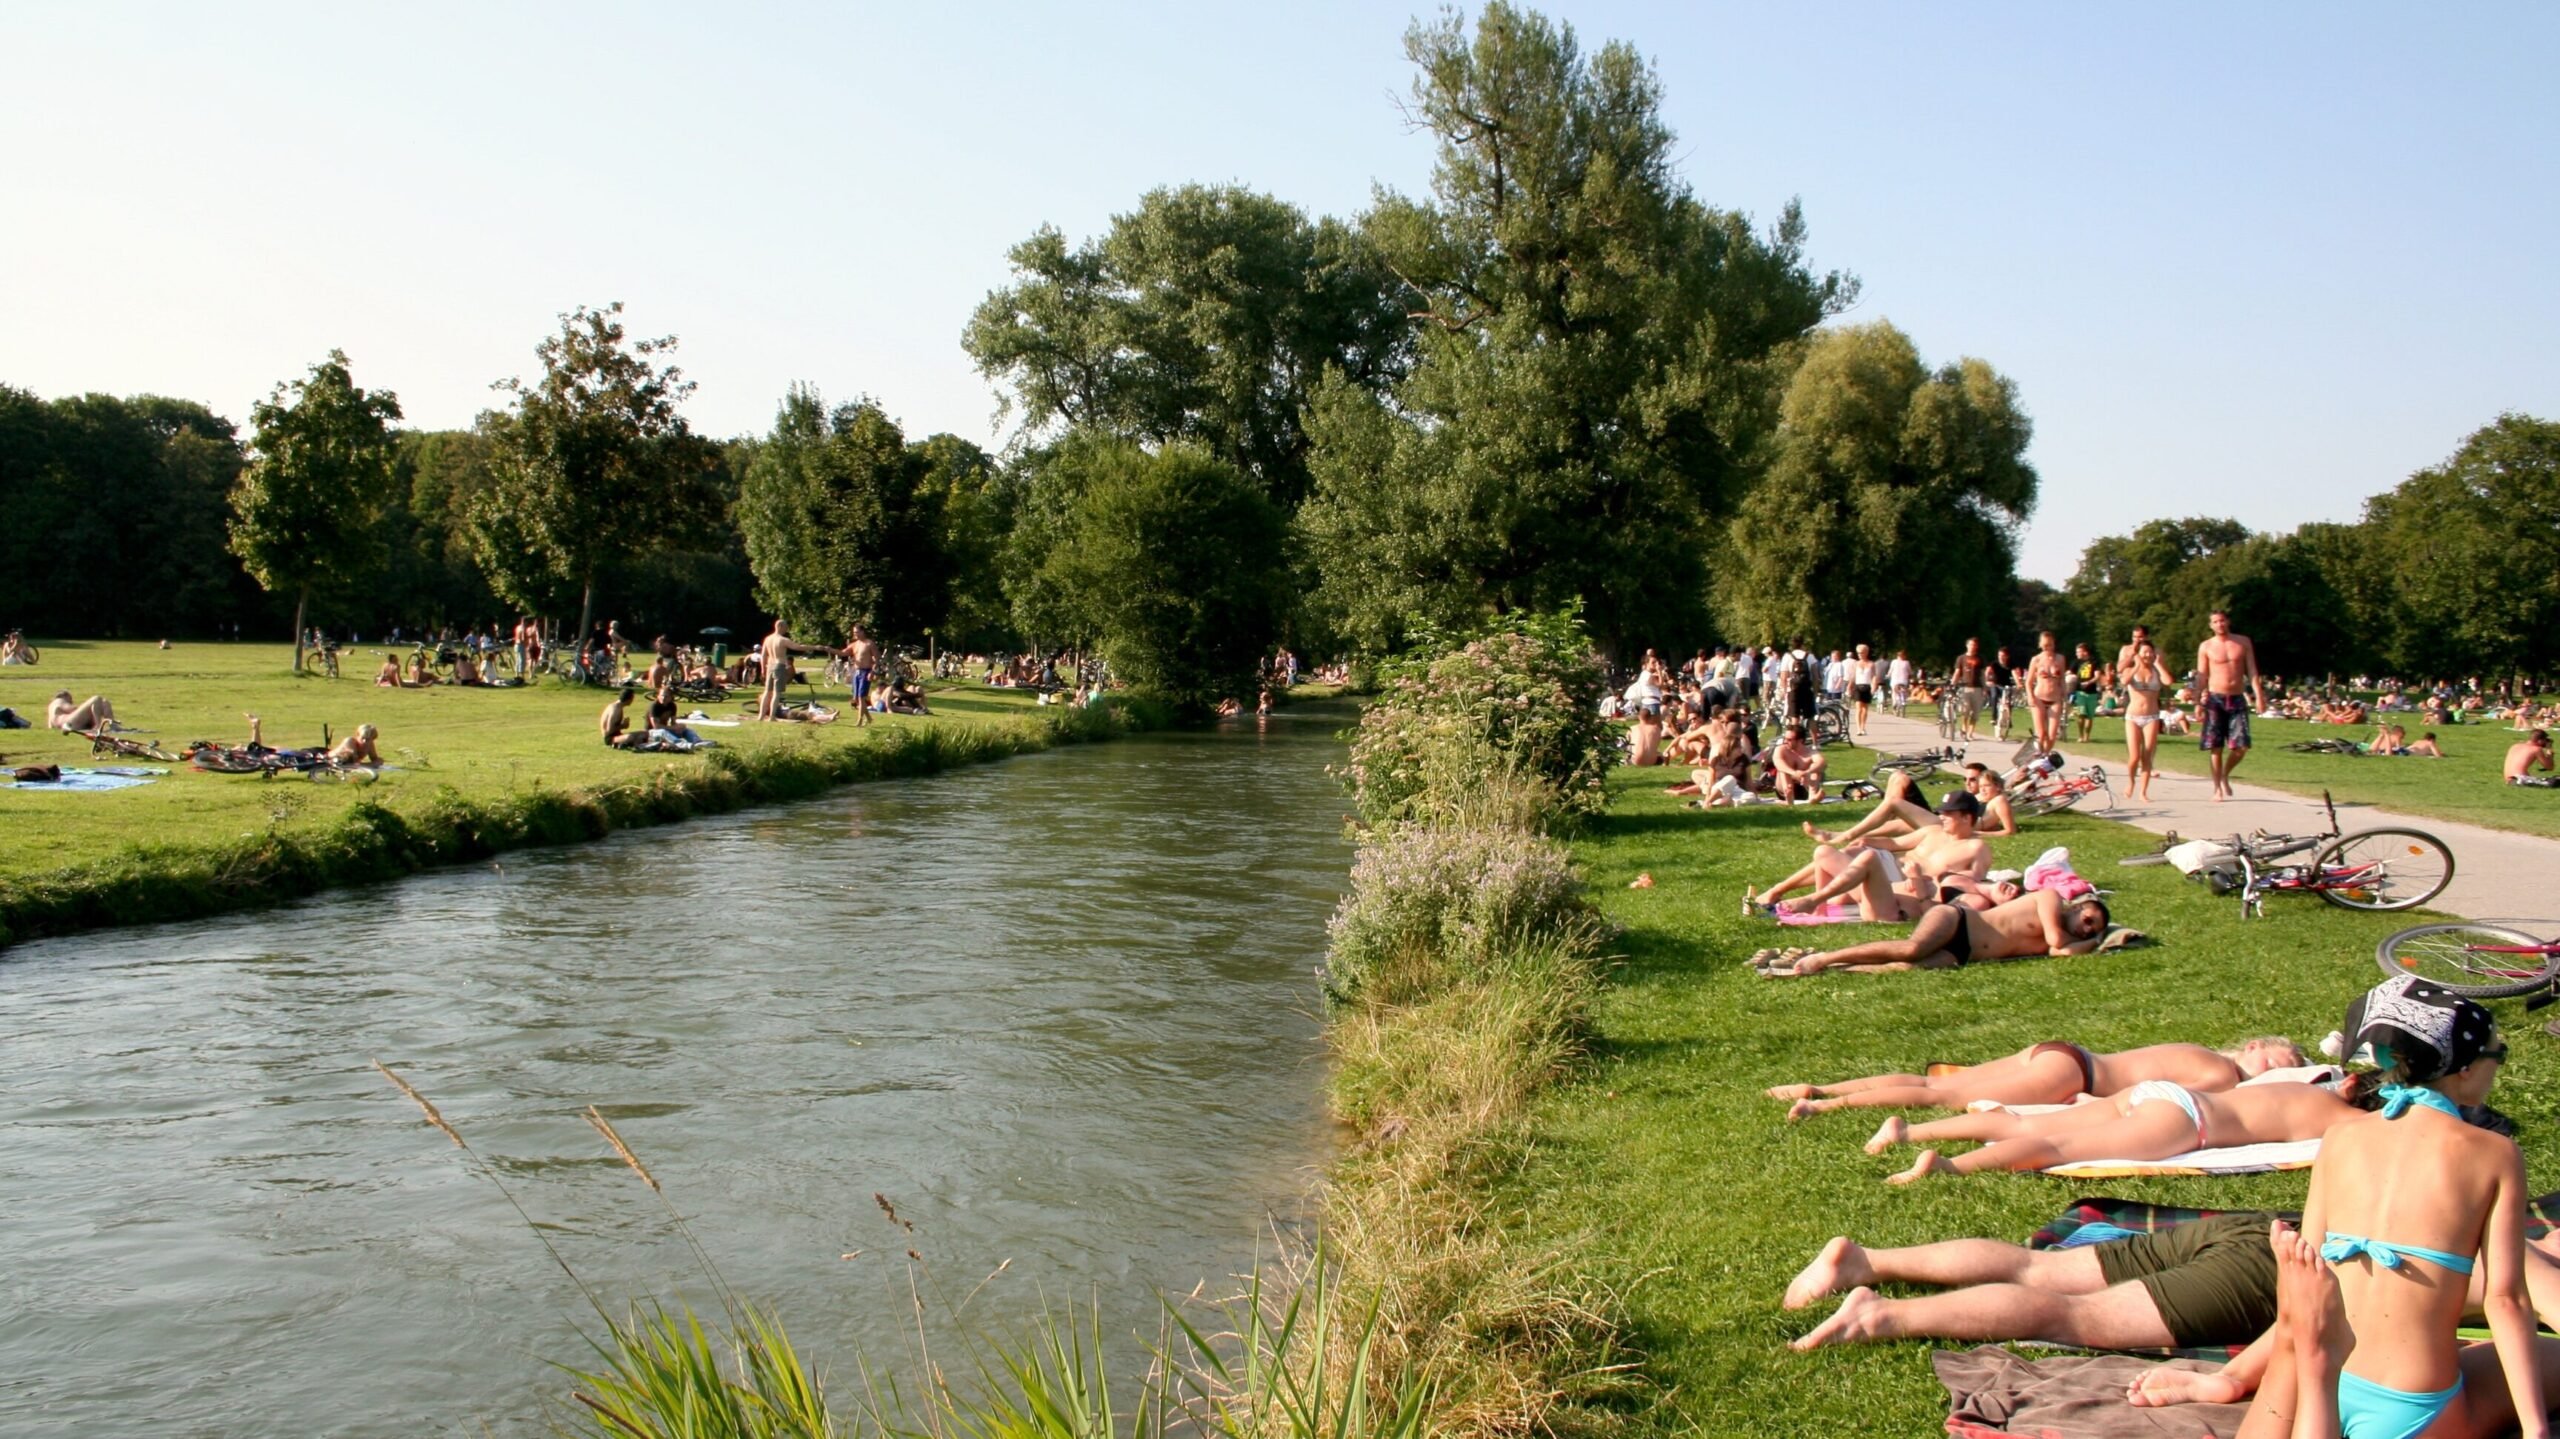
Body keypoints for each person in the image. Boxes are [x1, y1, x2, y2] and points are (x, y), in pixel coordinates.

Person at [2229, 976, 2548, 1439]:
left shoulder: (2341, 1138)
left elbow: (2307, 1277)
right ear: (2464, 1067)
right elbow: (2506, 1300)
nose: (2497, 1069)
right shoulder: (2493, 1154)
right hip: (2412, 1403)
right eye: (2497, 1056)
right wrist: (2535, 1428)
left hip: (2317, 1387)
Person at [1865, 1071, 2359, 1185]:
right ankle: (1946, 1166)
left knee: (2026, 1120)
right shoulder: (2341, 1117)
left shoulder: (2306, 1085)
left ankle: (1910, 1132)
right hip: (2190, 1123)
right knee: (2056, 1145)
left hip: (2165, 1093)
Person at [1769, 1036, 2306, 1120]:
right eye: (2275, 1065)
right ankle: (1825, 1106)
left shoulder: (2202, 1050)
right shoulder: (2221, 1072)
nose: (2268, 1078)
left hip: (2064, 1054)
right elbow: (2162, 1100)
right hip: (2076, 1073)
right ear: (2254, 1049)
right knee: (1947, 1096)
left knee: (1935, 1085)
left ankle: (1821, 1088)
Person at [1749, 791, 1995, 922]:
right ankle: (1780, 891)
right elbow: (1895, 843)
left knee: (1858, 864)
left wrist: (1923, 880)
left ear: (1966, 817)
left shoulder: (1976, 848)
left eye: (1948, 814)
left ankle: (1813, 902)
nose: (1941, 817)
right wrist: (1869, 841)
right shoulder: (1933, 831)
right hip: (1895, 867)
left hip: (1908, 885)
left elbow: (1968, 884)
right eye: (1941, 812)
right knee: (1836, 852)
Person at [1768, 887, 2108, 978]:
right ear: (2078, 906)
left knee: (1902, 968)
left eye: (2092, 929)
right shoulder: (2051, 901)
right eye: (2089, 920)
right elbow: (2056, 943)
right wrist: (2093, 942)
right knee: (1911, 950)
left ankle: (1835, 969)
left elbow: (2061, 952)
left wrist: (2092, 941)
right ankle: (1824, 958)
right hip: (1957, 920)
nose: (2086, 928)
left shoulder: (2071, 936)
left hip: (1965, 954)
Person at [2192, 609, 2266, 802]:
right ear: (2211, 625)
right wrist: (2197, 701)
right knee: (2215, 747)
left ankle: (2225, 774)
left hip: (2237, 698)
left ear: (2228, 621)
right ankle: (2217, 787)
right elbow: (2201, 676)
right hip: (2215, 699)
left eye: (2222, 620)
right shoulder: (2206, 646)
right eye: (2215, 622)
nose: (2219, 624)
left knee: (2241, 746)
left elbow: (2252, 671)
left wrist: (2258, 696)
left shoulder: (2242, 642)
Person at [2122, 639, 2169, 801]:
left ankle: (2143, 792)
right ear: (2138, 654)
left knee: (2147, 756)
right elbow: (2124, 681)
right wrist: (2136, 664)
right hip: (2133, 717)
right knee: (2134, 757)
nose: (2148, 655)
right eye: (2144, 652)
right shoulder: (2131, 670)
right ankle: (2130, 782)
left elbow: (2169, 681)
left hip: (2152, 717)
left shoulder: (2156, 671)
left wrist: (2159, 664)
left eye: (2150, 652)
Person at [757, 619, 823, 722]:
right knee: (776, 693)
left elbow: (763, 655)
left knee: (767, 692)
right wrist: (815, 647)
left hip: (769, 665)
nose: (786, 629)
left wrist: (762, 669)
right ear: (780, 626)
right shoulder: (783, 640)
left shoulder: (768, 639)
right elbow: (798, 647)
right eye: (785, 627)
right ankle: (772, 716)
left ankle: (761, 716)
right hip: (779, 665)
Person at [2025, 631, 2071, 753]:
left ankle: (2044, 756)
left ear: (2054, 644)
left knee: (2052, 735)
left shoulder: (2060, 659)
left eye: (2049, 645)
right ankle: (2038, 756)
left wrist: (2065, 697)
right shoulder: (2036, 660)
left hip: (2055, 699)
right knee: (2041, 734)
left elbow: (2062, 680)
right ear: (2040, 644)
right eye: (2044, 645)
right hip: (2039, 697)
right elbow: (2028, 682)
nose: (2047, 648)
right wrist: (2030, 696)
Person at [1765, 721, 1827, 803]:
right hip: (1785, 789)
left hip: (1804, 788)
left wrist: (1807, 772)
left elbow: (1822, 763)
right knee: (1783, 769)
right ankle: (1789, 798)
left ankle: (1812, 796)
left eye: (1789, 739)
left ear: (1800, 741)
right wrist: (1794, 773)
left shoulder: (1810, 752)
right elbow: (1778, 763)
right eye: (1785, 738)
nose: (1786, 741)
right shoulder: (1781, 749)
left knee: (1816, 769)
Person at [840, 625, 880, 728]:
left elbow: (877, 659)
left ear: (863, 632)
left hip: (866, 672)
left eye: (857, 632)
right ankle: (869, 718)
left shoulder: (869, 643)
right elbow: (843, 652)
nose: (855, 634)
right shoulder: (855, 644)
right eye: (854, 632)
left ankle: (859, 721)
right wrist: (828, 649)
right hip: (857, 672)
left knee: (861, 697)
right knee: (857, 699)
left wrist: (873, 672)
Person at [1950, 639, 1988, 741]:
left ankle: (1970, 733)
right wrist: (1953, 683)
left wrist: (1985, 687)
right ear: (1967, 646)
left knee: (1975, 713)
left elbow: (1983, 675)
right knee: (1965, 710)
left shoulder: (1980, 658)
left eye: (1975, 645)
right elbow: (1957, 672)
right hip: (1965, 688)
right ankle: (1964, 727)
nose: (1973, 646)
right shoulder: (1961, 658)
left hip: (1977, 688)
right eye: (1971, 644)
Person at [43, 690, 117, 732]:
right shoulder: (59, 701)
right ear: (65, 696)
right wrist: (85, 706)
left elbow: (50, 726)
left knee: (104, 701)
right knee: (96, 698)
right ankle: (98, 727)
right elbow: (72, 709)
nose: (71, 701)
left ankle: (112, 724)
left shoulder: (51, 708)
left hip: (68, 723)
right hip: (69, 722)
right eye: (70, 699)